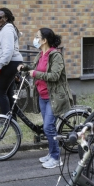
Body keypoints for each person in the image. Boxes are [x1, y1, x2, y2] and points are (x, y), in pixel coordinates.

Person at [18, 28, 74, 169]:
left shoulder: (55, 56)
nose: (35, 39)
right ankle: (51, 153)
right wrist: (25, 67)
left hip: (54, 97)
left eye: (37, 37)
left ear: (44, 40)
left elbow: (54, 76)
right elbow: (35, 67)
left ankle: (56, 158)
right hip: (42, 96)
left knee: (49, 127)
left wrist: (35, 74)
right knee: (48, 127)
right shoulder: (41, 54)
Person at [0, 8, 23, 115]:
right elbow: (2, 49)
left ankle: (5, 120)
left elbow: (8, 51)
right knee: (8, 93)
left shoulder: (7, 29)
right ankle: (12, 119)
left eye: (0, 17)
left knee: (0, 92)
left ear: (6, 18)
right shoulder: (4, 29)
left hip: (9, 63)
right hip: (11, 62)